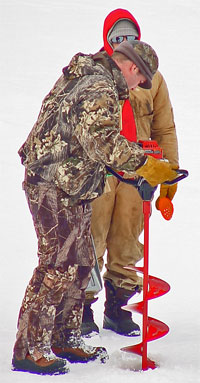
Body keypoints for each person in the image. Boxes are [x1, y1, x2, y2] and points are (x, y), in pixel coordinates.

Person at [12, 39, 177, 375]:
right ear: (132, 68)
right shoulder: (99, 84)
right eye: (141, 80)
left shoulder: (91, 76)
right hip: (53, 182)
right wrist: (145, 165)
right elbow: (101, 140)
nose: (139, 86)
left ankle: (66, 336)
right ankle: (30, 349)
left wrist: (131, 169)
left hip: (73, 181)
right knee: (57, 264)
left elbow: (85, 138)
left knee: (82, 261)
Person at [81, 8, 179, 338]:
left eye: (130, 36)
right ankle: (82, 309)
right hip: (100, 173)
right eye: (117, 38)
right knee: (91, 239)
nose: (125, 42)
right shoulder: (97, 75)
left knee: (126, 242)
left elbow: (164, 127)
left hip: (138, 174)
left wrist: (168, 177)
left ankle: (119, 309)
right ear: (108, 41)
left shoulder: (153, 78)